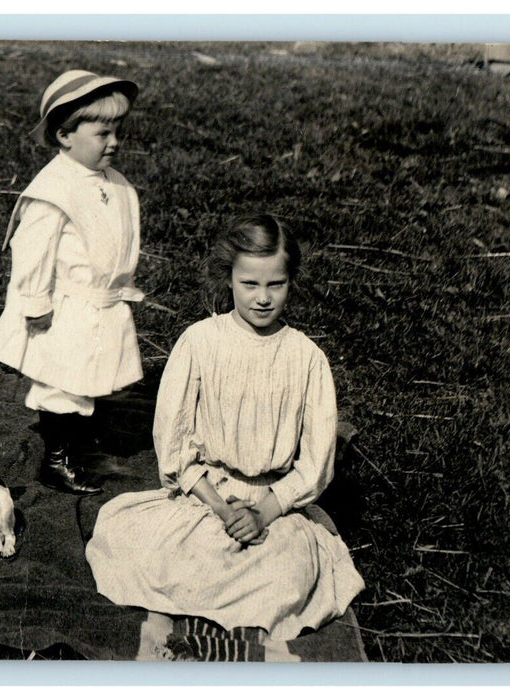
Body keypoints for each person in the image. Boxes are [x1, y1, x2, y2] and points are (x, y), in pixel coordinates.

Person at [85, 215, 365, 642]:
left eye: (277, 284)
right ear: (228, 279)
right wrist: (221, 508)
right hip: (208, 498)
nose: (263, 298)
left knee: (288, 577)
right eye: (250, 284)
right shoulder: (200, 342)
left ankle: (229, 589)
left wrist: (263, 513)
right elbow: (175, 442)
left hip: (274, 508)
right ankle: (217, 588)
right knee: (128, 538)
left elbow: (315, 466)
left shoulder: (307, 359)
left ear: (292, 282)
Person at [0, 69, 145, 496]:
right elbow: (33, 250)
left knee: (88, 378)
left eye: (118, 131)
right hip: (67, 308)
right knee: (64, 382)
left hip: (100, 302)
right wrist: (35, 303)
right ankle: (55, 460)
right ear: (64, 136)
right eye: (102, 133)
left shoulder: (113, 184)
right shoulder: (55, 189)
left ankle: (76, 445)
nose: (114, 142)